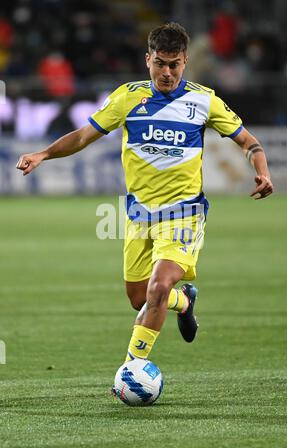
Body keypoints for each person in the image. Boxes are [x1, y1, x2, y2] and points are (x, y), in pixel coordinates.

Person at [16, 23, 273, 369]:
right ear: (147, 59)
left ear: (185, 62)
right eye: (160, 63)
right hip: (140, 215)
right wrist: (43, 154)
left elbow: (248, 142)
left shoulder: (203, 100)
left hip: (184, 213)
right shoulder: (127, 97)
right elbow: (81, 137)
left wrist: (263, 170)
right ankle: (183, 302)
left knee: (157, 286)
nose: (167, 72)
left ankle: (133, 369)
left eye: (175, 64)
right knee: (140, 297)